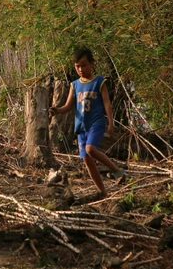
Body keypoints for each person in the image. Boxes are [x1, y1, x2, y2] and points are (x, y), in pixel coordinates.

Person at [49, 46, 125, 198]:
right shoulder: (75, 85)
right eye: (77, 66)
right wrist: (57, 110)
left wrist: (110, 123)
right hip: (81, 127)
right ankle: (102, 191)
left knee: (91, 149)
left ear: (91, 64)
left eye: (84, 65)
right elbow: (68, 106)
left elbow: (107, 103)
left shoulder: (99, 81)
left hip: (96, 123)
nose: (81, 69)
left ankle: (117, 170)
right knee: (87, 160)